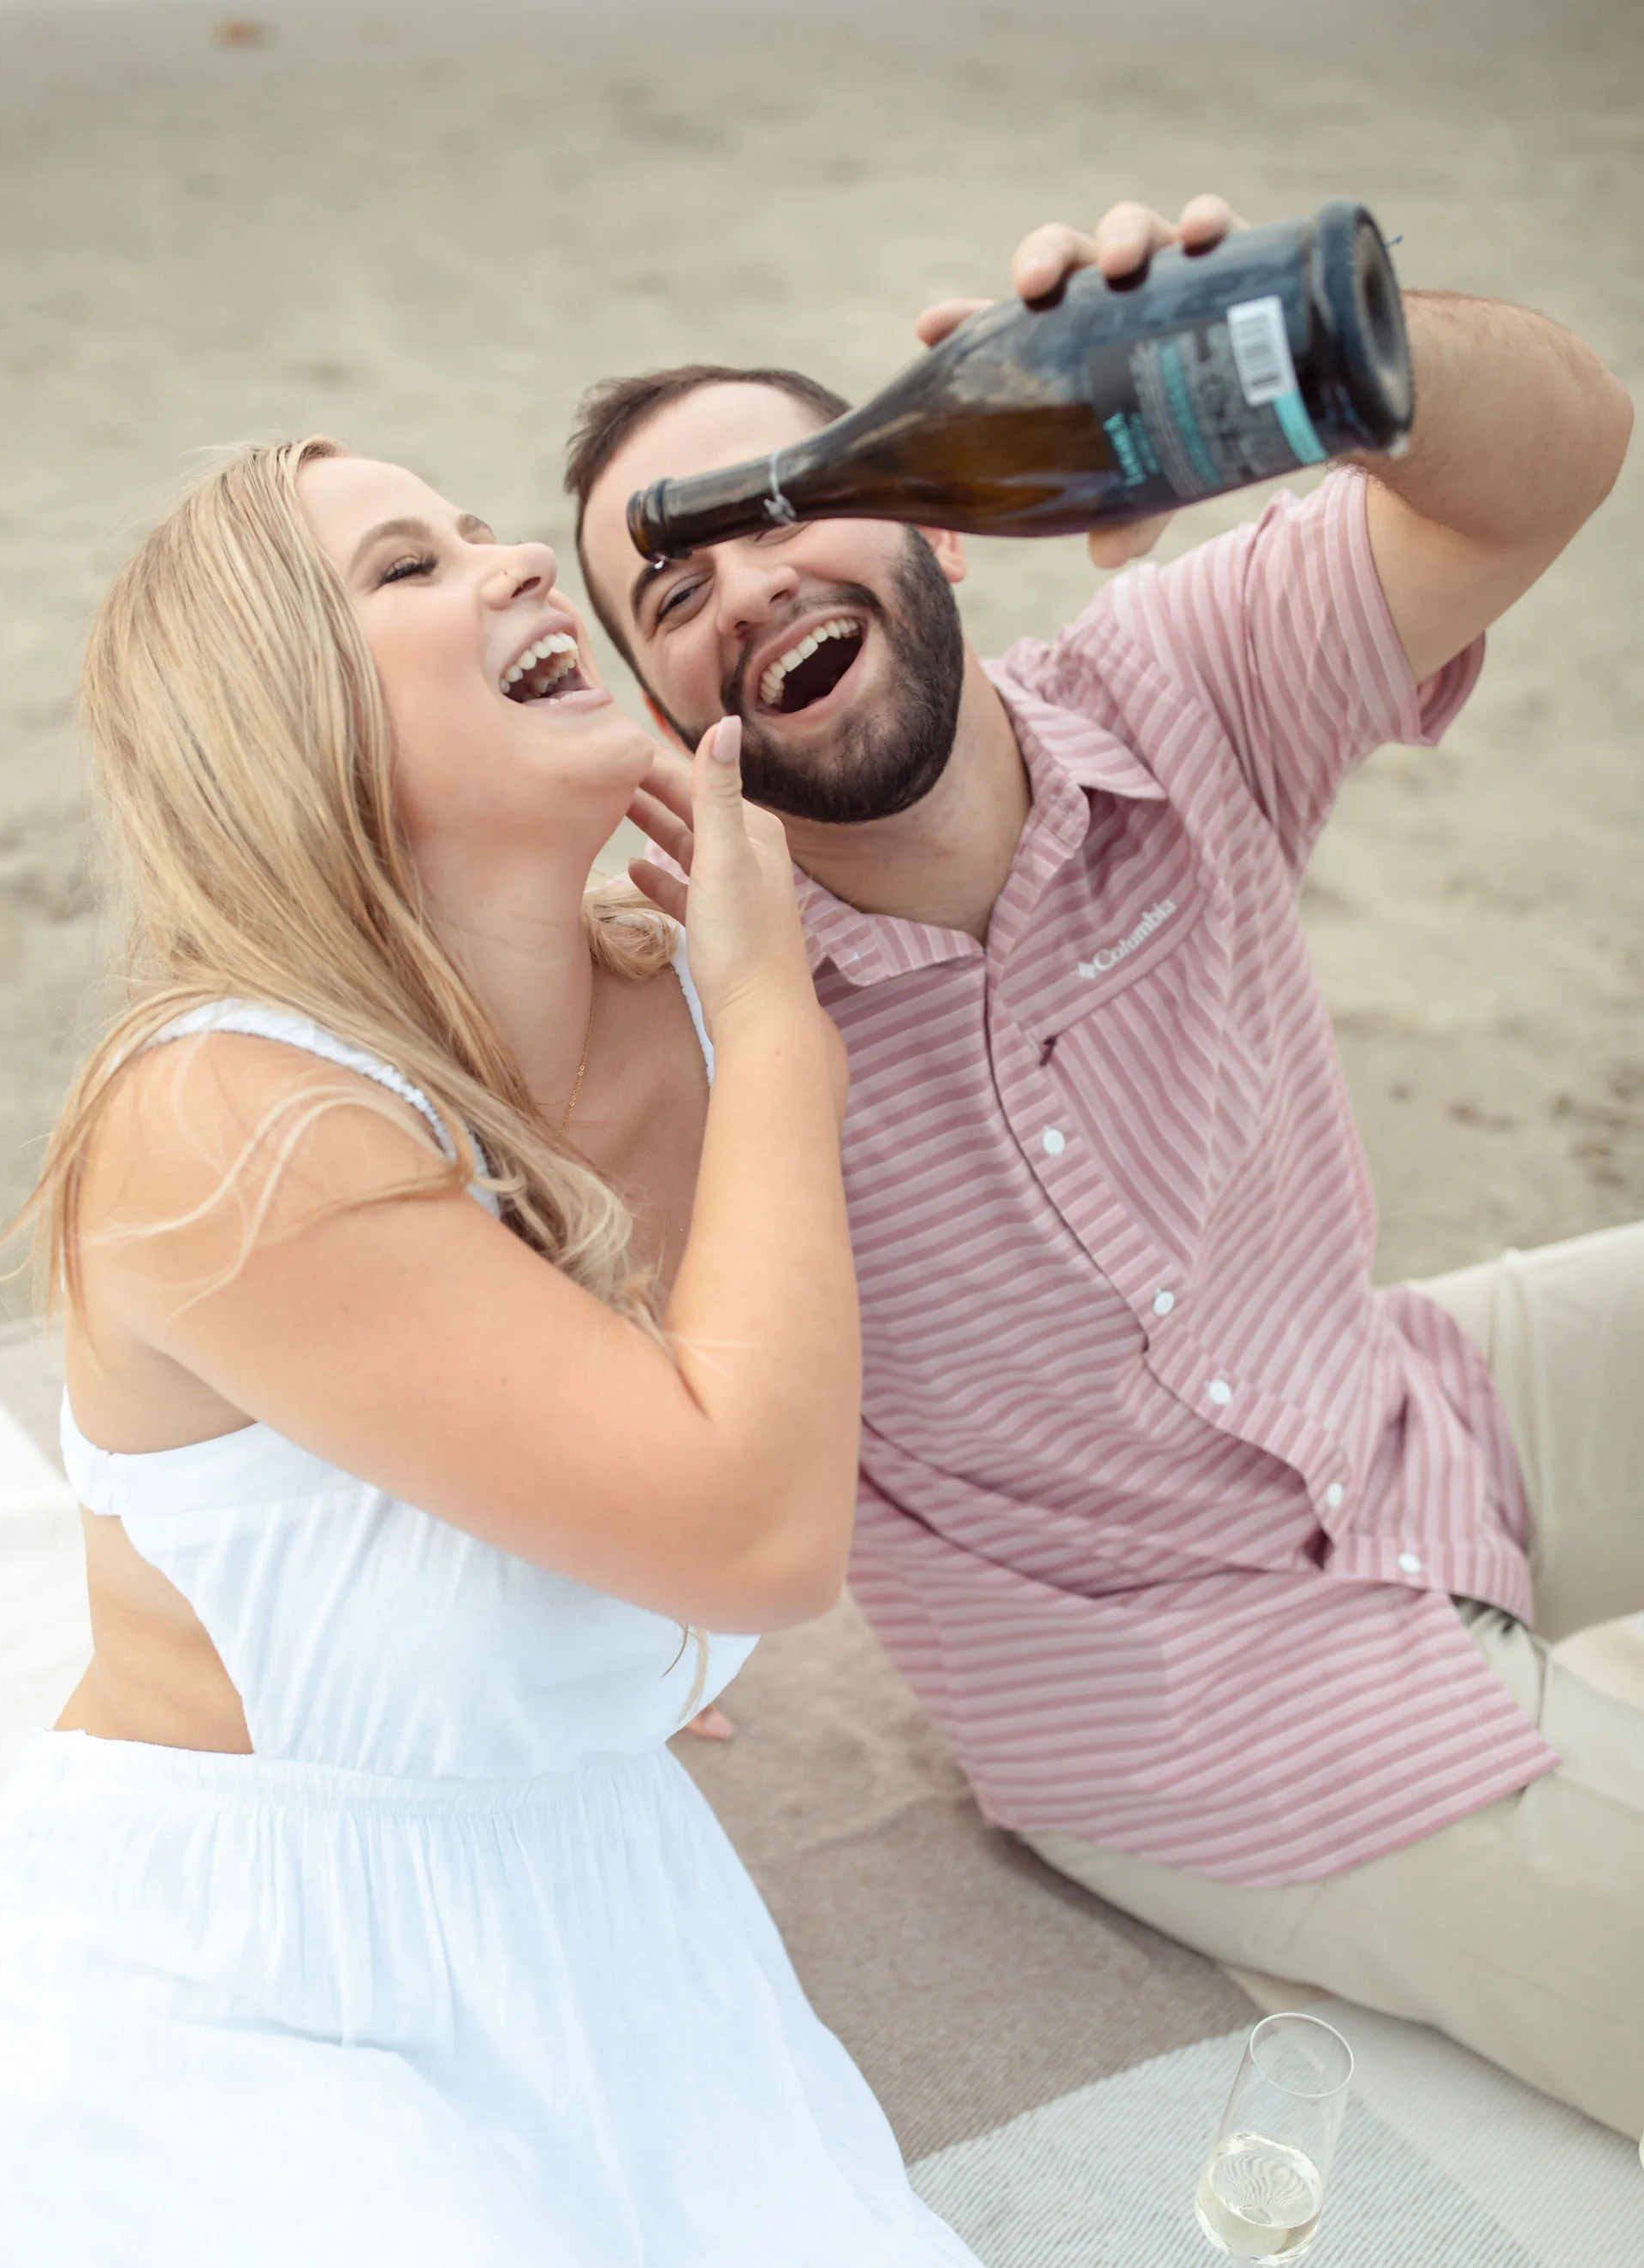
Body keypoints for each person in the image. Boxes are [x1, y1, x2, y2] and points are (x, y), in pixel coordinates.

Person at [0, 439, 1168, 2268]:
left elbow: (1001, 825)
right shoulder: (224, 1107)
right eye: (408, 561)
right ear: (283, 717)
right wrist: (777, 1025)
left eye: (484, 526)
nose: (507, 556)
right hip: (236, 1979)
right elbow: (754, 1531)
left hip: (593, 1929)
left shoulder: (652, 1001)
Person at [569, 193, 1644, 2137]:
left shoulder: (1175, 681)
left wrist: (1318, 368)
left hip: (1399, 1404)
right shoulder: (691, 1012)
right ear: (674, 730)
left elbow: (1555, 456)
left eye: (776, 500)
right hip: (1197, 1715)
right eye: (670, 596)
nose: (740, 586)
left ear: (931, 514)